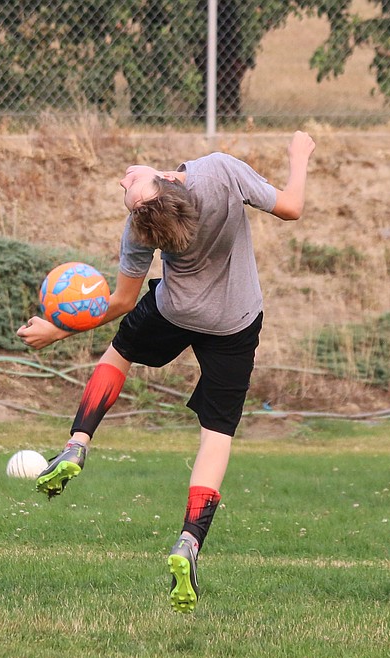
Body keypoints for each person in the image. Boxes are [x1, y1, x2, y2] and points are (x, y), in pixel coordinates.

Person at [17, 130, 316, 614]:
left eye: (127, 185)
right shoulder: (218, 170)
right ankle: (190, 542)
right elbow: (291, 208)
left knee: (118, 355)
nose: (122, 181)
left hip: (175, 310)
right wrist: (298, 157)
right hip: (235, 321)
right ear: (169, 180)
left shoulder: (137, 229)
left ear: (166, 181)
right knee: (216, 434)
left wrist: (59, 330)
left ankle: (77, 444)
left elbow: (120, 302)